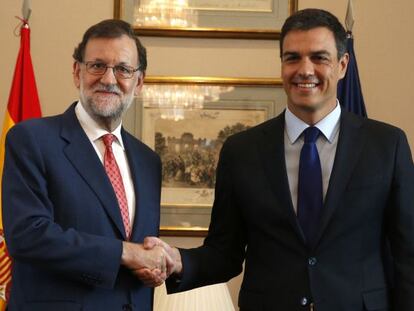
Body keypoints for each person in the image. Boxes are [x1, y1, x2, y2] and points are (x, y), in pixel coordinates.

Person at [142, 8, 414, 310]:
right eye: (293, 57)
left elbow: (408, 255)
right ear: (282, 64)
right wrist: (178, 260)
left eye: (319, 57)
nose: (304, 70)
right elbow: (225, 253)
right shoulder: (241, 150)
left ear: (342, 65)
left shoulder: (387, 146)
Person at [2, 19, 170, 311]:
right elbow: (27, 236)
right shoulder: (31, 139)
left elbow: (136, 252)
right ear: (77, 72)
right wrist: (125, 253)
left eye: (123, 69)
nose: (108, 78)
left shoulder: (148, 161)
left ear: (139, 82)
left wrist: (151, 266)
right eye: (97, 65)